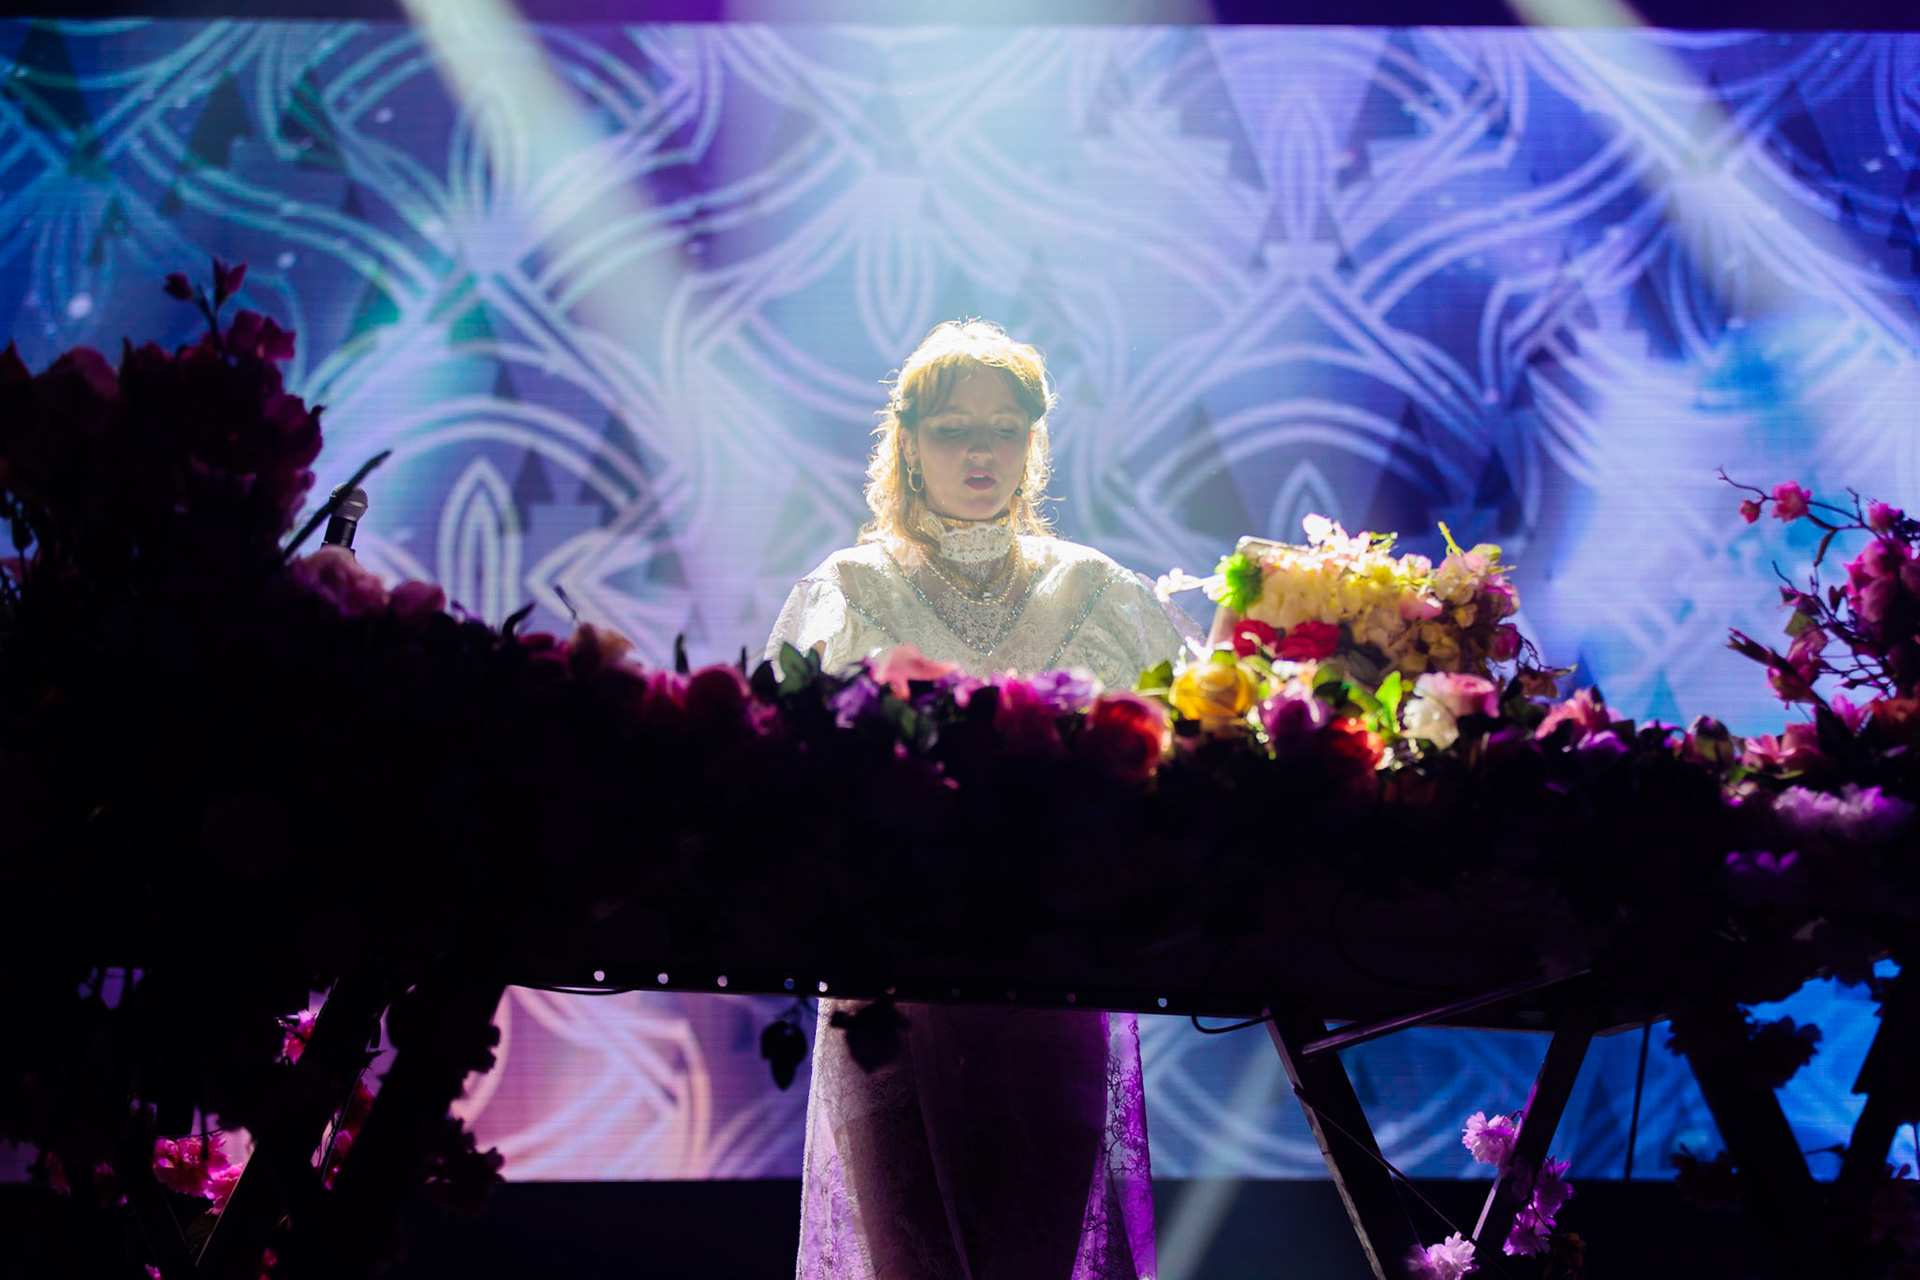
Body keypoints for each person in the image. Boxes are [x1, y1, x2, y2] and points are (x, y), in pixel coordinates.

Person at [767, 320, 1195, 1280]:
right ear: (909, 443)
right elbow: (786, 779)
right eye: (955, 427)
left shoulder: (1095, 589)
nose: (978, 450)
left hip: (1053, 984)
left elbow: (1195, 753)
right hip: (891, 983)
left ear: (1031, 444)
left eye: (1002, 429)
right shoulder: (852, 588)